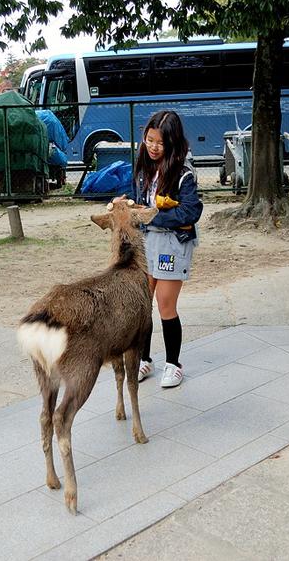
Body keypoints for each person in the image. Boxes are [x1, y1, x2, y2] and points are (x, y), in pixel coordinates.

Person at [116, 110, 203, 388]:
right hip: (145, 243)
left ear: (173, 144)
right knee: (143, 305)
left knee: (166, 305)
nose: (153, 147)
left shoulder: (183, 174)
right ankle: (144, 359)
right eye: (149, 140)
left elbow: (191, 212)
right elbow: (139, 201)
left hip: (171, 243)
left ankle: (173, 364)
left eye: (160, 143)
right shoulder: (142, 168)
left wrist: (150, 215)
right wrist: (126, 204)